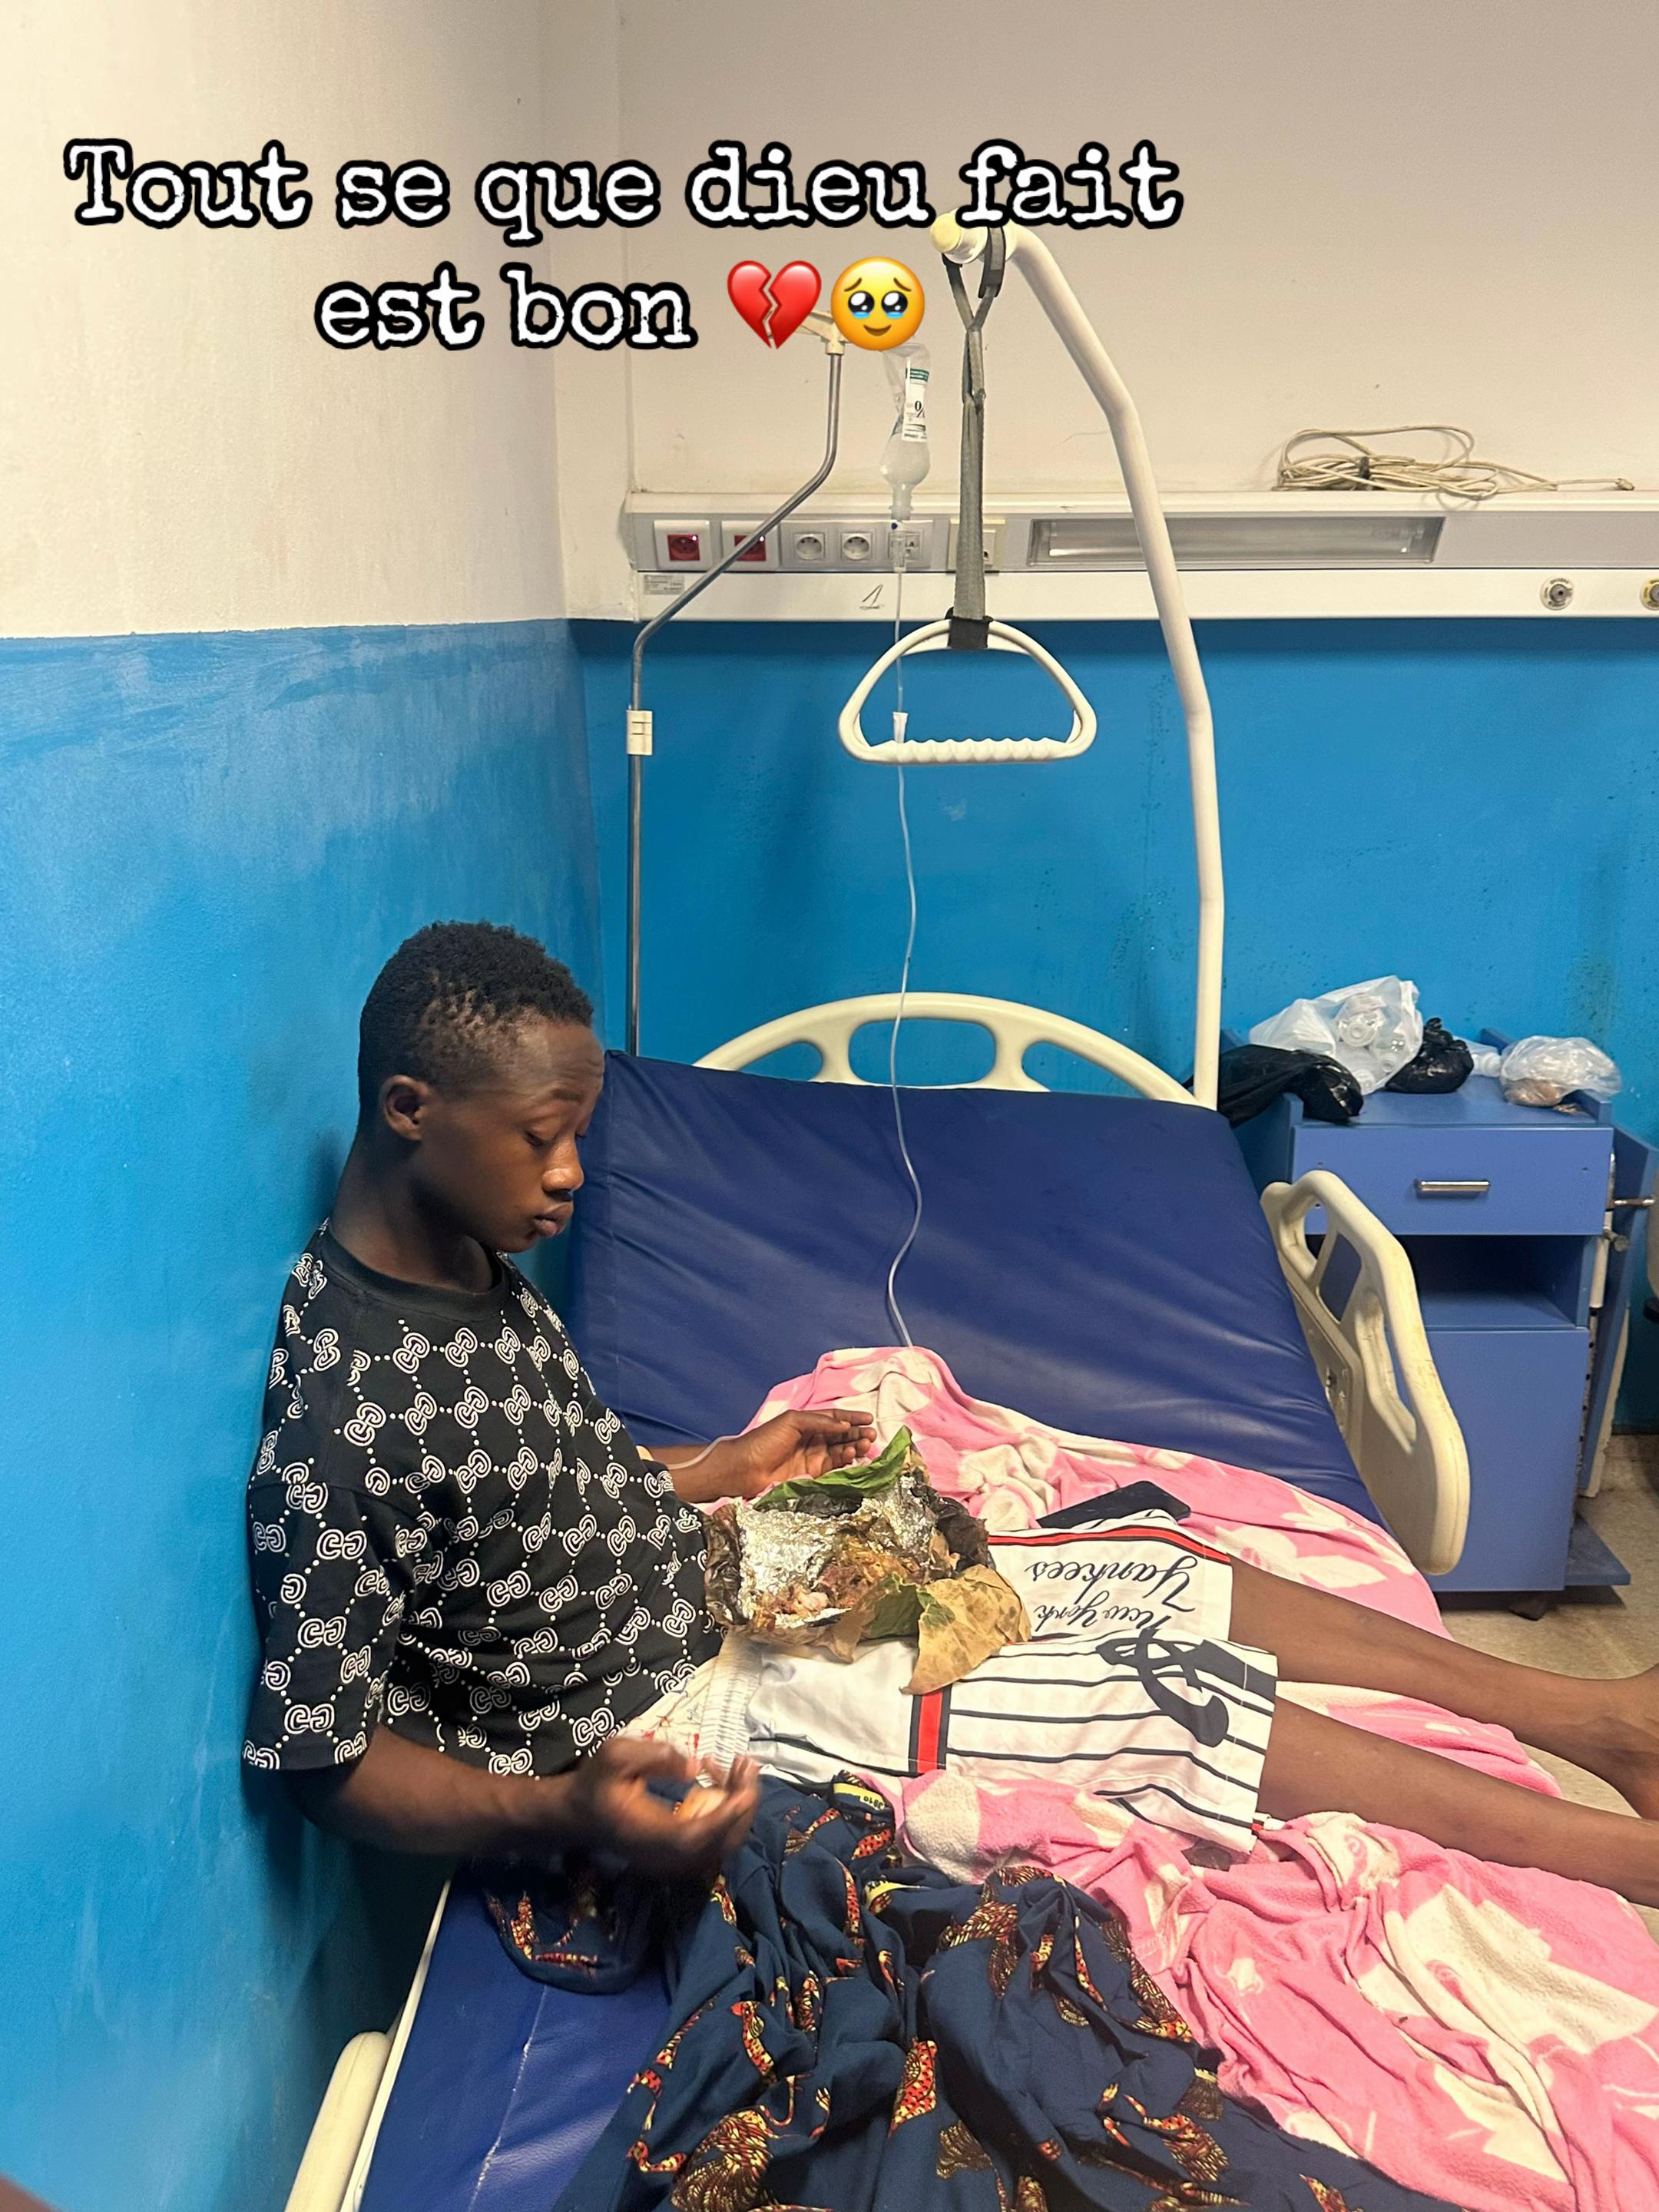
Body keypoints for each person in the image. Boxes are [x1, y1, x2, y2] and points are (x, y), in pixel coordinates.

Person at [246, 920, 1659, 1906]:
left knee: (1145, 1573)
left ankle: (1597, 1723)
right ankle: (1627, 1865)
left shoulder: (471, 1259)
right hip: (666, 1704)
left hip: (723, 1575)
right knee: (1157, 1702)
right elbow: (325, 1761)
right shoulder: (348, 1416)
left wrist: (723, 1464)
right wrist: (567, 1810)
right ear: (411, 1108)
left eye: (579, 1136)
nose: (569, 1175)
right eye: (542, 1139)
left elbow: (535, 1489)